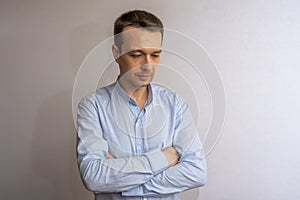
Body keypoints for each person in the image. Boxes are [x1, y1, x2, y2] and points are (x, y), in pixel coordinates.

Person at [76, 10, 207, 200]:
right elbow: (94, 176)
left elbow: (196, 172)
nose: (148, 65)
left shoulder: (175, 104)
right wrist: (164, 158)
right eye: (137, 54)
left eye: (155, 55)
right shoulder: (92, 107)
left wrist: (122, 181)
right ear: (116, 53)